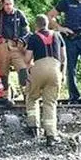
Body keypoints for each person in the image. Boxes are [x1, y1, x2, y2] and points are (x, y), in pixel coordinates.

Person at [22, 14, 67, 146]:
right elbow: (64, 57)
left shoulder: (33, 37)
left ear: (36, 25)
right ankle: (51, 135)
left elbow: (27, 59)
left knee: (32, 97)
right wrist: (62, 74)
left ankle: (33, 127)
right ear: (48, 24)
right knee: (50, 103)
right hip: (55, 70)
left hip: (39, 68)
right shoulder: (58, 36)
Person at [0, 0, 31, 102]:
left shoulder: (19, 14)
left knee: (23, 70)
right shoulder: (0, 14)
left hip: (16, 46)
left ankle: (27, 95)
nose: (8, 6)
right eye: (6, 4)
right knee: (2, 73)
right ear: (3, 4)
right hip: (2, 45)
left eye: (10, 4)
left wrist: (23, 40)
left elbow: (27, 31)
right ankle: (6, 96)